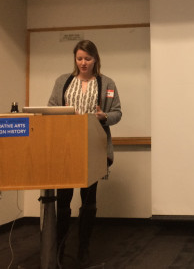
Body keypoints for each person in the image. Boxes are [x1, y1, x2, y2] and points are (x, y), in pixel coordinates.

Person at [48, 39, 122, 268]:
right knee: (63, 201)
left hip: (93, 148)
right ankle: (58, 250)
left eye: (87, 59)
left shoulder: (106, 83)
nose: (83, 63)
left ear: (95, 59)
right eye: (79, 58)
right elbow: (50, 108)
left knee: (88, 201)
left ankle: (83, 248)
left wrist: (104, 117)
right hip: (65, 149)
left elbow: (117, 113)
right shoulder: (63, 81)